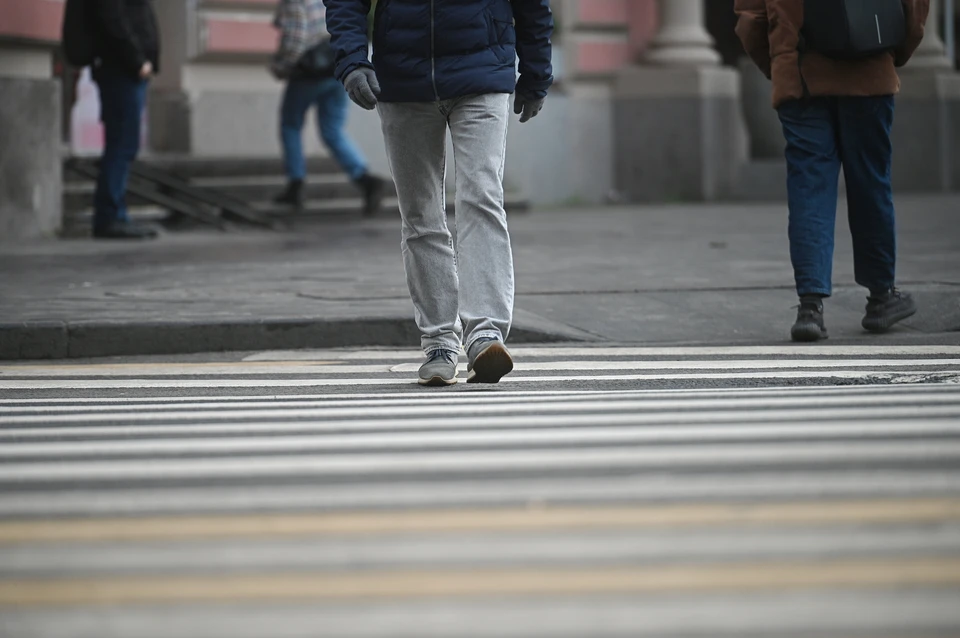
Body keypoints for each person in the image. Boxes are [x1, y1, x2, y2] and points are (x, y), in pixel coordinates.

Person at [324, 0, 554, 386]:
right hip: (402, 80)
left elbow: (533, 4)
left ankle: (485, 334)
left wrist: (536, 72)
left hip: (482, 73)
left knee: (481, 197)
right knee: (419, 213)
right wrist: (351, 59)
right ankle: (439, 342)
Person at [735, 0, 928, 342]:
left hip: (800, 78)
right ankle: (882, 296)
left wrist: (780, 63)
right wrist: (888, 52)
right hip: (869, 72)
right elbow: (913, 9)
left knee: (809, 187)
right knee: (871, 183)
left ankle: (810, 307)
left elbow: (751, 18)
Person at [271, 0, 386, 216]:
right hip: (336, 69)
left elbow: (296, 38)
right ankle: (365, 179)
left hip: (309, 72)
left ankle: (295, 185)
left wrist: (281, 66)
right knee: (332, 130)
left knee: (291, 124)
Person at [88, 0, 160, 239]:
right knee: (122, 143)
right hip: (121, 69)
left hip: (125, 69)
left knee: (123, 143)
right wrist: (137, 60)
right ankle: (111, 216)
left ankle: (114, 214)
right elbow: (113, 19)